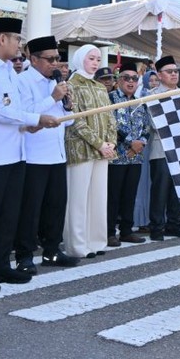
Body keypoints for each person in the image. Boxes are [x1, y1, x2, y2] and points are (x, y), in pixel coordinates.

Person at [0, 17, 60, 294]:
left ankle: (1, 265)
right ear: (3, 39)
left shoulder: (8, 70)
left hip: (16, 152)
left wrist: (31, 124)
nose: (20, 45)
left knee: (9, 215)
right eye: (17, 39)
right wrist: (36, 117)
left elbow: (16, 109)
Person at [15, 36, 79, 273]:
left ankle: (52, 251)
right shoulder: (22, 81)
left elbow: (68, 121)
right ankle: (24, 255)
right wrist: (52, 98)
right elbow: (22, 114)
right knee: (30, 209)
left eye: (58, 59)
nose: (56, 64)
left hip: (57, 154)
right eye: (50, 59)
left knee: (55, 206)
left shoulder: (57, 82)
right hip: (33, 155)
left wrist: (67, 104)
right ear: (33, 59)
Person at [64, 45, 117, 258]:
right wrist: (99, 143)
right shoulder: (70, 85)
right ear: (79, 59)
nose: (95, 63)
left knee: (98, 197)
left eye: (97, 59)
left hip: (103, 150)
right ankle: (77, 245)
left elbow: (110, 116)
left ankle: (96, 241)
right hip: (80, 149)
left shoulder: (100, 87)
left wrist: (111, 142)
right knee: (78, 198)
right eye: (91, 58)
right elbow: (74, 119)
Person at [106, 61, 150, 247]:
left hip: (136, 157)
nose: (130, 82)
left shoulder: (141, 102)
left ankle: (126, 231)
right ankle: (109, 233)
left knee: (130, 195)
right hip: (116, 158)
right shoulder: (111, 98)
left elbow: (147, 125)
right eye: (126, 78)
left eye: (134, 78)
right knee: (113, 196)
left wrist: (141, 143)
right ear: (119, 80)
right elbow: (110, 125)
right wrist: (130, 142)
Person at [146, 55, 180, 241]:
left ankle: (174, 224)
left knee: (178, 189)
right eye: (169, 71)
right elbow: (155, 124)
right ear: (159, 74)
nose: (174, 75)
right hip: (161, 148)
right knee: (160, 189)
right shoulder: (152, 95)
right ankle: (156, 226)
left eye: (176, 71)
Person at [133, 68, 159, 231]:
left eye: (157, 80)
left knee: (153, 183)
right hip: (144, 144)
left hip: (155, 145)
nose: (154, 83)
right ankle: (141, 220)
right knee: (142, 184)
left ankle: (154, 217)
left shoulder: (159, 96)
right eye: (151, 80)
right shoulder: (140, 98)